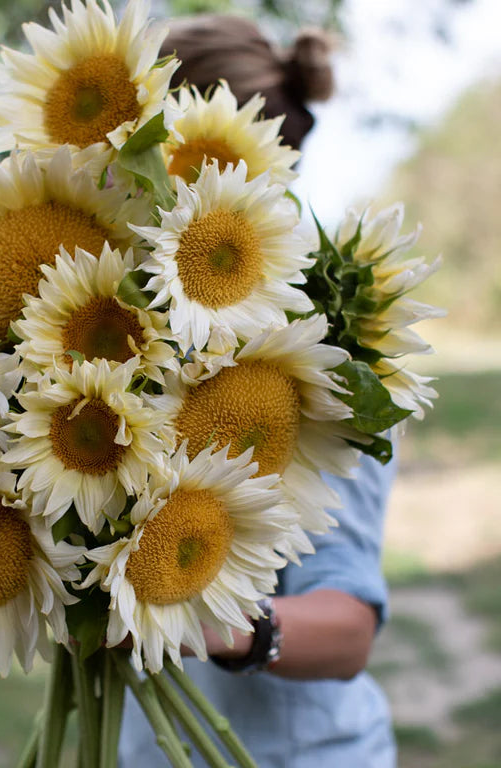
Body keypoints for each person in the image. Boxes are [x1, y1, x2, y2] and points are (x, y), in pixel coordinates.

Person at [119, 16, 398, 768]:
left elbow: (348, 628)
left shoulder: (322, 357)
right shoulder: (118, 332)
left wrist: (214, 619)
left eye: (146, 153)